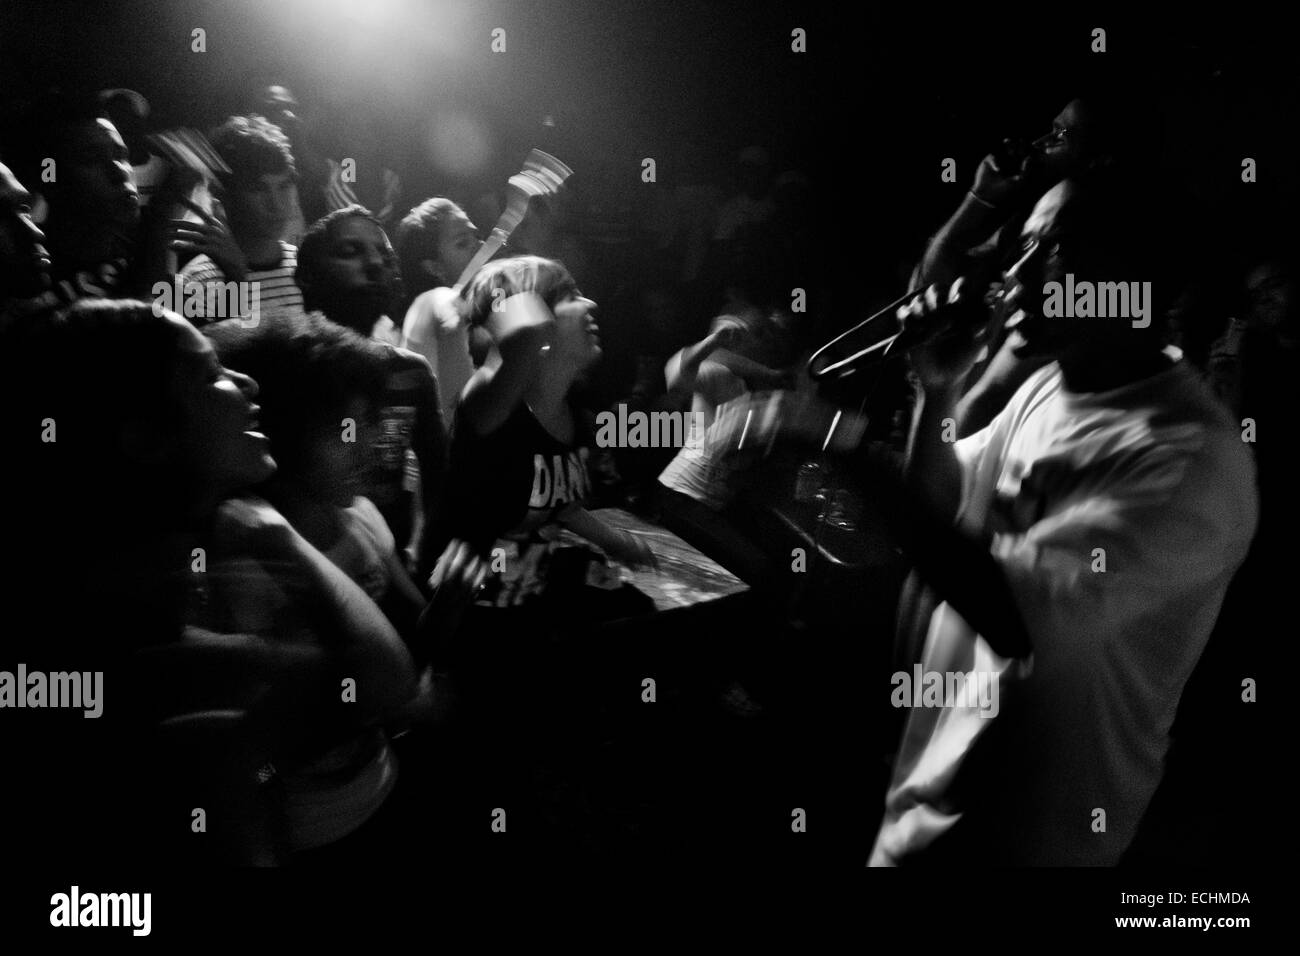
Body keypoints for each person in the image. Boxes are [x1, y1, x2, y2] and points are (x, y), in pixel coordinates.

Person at [727, 176, 1258, 865]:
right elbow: (942, 501)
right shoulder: (1049, 385)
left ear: (1131, 278)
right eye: (1022, 246)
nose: (1016, 273)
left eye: (1050, 248)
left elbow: (1009, 613)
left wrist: (840, 442)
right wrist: (936, 386)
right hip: (932, 797)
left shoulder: (1189, 458)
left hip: (1030, 835)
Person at [0, 298, 419, 865]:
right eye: (209, 375)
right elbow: (389, 684)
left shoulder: (205, 551)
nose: (247, 384)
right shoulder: (153, 634)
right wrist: (282, 539)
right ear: (144, 437)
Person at [295, 204, 449, 573]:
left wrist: (426, 561)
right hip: (316, 576)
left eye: (384, 254)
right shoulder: (290, 367)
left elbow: (441, 480)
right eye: (350, 252)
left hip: (397, 574)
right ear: (306, 276)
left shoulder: (411, 373)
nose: (376, 264)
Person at [171, 115, 306, 326]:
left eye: (284, 186)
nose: (277, 205)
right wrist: (235, 278)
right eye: (258, 189)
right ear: (226, 197)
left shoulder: (306, 267)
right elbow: (218, 354)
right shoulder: (199, 281)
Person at [394, 197, 482, 418]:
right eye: (462, 243)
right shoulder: (436, 303)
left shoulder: (482, 305)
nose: (479, 246)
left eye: (476, 236)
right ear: (434, 267)